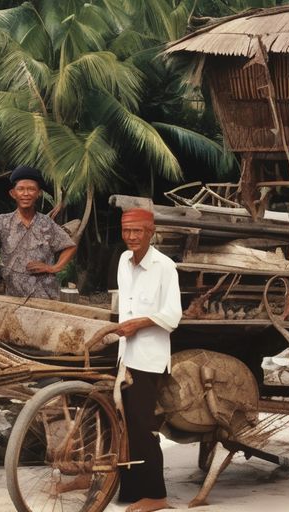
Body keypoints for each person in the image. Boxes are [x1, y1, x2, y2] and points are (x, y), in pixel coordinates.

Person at [114, 207, 181, 512]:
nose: (131, 237)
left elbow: (172, 315)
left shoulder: (164, 267)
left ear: (151, 231)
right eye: (126, 230)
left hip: (149, 357)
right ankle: (130, 490)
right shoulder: (123, 262)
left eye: (137, 231)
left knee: (142, 425)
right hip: (125, 354)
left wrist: (139, 323)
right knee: (124, 425)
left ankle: (156, 495)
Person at [0, 165, 77, 299]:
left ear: (39, 193)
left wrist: (53, 268)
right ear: (13, 193)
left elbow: (70, 246)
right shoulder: (1, 222)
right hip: (13, 298)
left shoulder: (46, 223)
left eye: (31, 189)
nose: (26, 193)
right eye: (21, 189)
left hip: (47, 297)